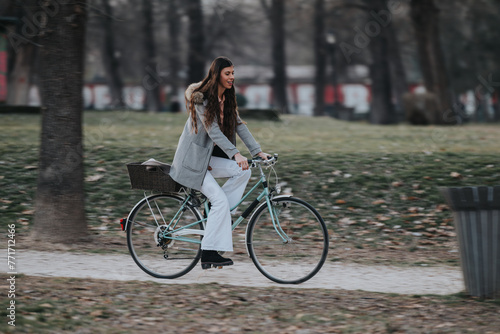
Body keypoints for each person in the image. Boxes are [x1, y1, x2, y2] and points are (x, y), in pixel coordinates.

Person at [169, 56, 268, 269]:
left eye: (233, 73)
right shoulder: (201, 99)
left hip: (210, 159)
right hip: (193, 161)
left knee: (244, 172)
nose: (232, 77)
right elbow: (213, 131)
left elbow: (239, 125)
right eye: (227, 73)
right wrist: (235, 154)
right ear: (217, 75)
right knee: (220, 201)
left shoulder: (228, 98)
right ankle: (209, 252)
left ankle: (220, 218)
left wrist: (257, 151)